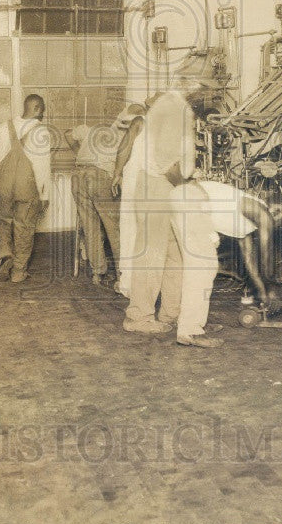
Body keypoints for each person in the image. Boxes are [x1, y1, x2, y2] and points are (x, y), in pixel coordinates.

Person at [122, 75, 207, 334]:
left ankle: (171, 312)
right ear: (190, 87)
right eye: (203, 89)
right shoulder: (173, 109)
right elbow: (167, 163)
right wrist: (186, 186)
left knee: (175, 253)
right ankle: (138, 318)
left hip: (166, 186)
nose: (206, 95)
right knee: (151, 255)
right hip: (158, 186)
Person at [169, 179, 282, 348]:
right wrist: (271, 288)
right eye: (280, 217)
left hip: (182, 197)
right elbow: (266, 253)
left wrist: (262, 290)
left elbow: (249, 258)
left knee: (192, 264)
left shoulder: (248, 219)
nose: (277, 224)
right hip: (192, 199)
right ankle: (190, 330)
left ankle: (181, 319)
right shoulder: (259, 210)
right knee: (203, 266)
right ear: (274, 208)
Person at [67, 104, 144, 286]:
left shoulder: (96, 130)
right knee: (115, 228)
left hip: (78, 176)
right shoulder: (126, 138)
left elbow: (68, 134)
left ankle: (97, 273)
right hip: (100, 178)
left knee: (90, 226)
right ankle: (122, 275)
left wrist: (81, 155)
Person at [0, 94, 51, 284]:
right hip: (26, 186)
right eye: (43, 110)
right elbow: (42, 166)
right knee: (24, 227)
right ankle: (18, 272)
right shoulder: (41, 131)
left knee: (5, 223)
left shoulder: (5, 126)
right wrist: (44, 194)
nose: (43, 115)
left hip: (4, 185)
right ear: (37, 108)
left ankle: (5, 257)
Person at [111, 98, 156, 297]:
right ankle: (146, 285)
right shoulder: (170, 127)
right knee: (150, 234)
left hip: (135, 181)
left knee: (130, 230)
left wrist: (117, 173)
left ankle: (128, 284)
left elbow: (124, 149)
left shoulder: (140, 121)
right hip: (154, 185)